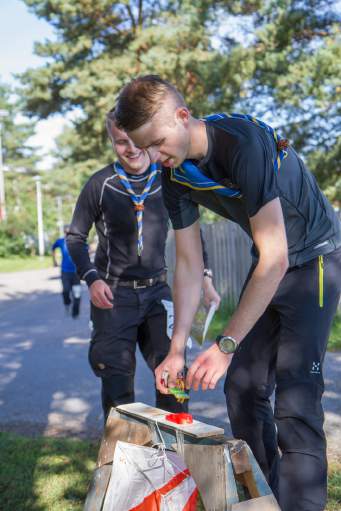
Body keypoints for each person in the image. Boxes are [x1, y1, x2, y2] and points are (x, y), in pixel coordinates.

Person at [114, 75, 341, 511]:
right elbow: (187, 262)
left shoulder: (243, 144)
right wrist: (177, 347)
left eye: (158, 142)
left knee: (296, 402)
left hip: (313, 261)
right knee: (242, 387)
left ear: (183, 116)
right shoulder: (174, 171)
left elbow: (276, 256)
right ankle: (263, 499)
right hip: (270, 263)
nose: (154, 156)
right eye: (144, 149)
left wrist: (226, 343)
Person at [66, 116, 220, 423]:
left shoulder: (170, 178)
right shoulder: (100, 184)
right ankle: (122, 462)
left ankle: (175, 458)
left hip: (157, 293)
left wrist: (206, 278)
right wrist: (92, 278)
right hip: (113, 295)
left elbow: (192, 235)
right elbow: (75, 238)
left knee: (174, 378)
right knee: (117, 386)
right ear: (111, 142)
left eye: (136, 140)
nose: (131, 148)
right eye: (121, 141)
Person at [52, 225, 81, 318]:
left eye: (70, 233)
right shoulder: (60, 241)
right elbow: (53, 248)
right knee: (66, 291)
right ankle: (67, 303)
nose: (68, 235)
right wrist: (54, 260)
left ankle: (75, 313)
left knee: (77, 295)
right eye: (66, 233)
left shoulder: (78, 242)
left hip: (76, 273)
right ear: (64, 233)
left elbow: (87, 249)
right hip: (65, 272)